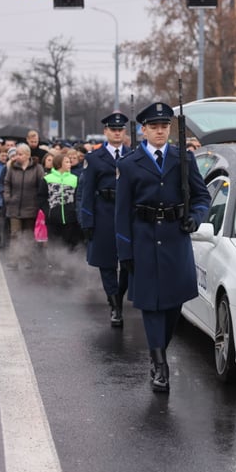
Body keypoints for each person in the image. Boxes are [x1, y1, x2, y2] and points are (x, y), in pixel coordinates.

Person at [115, 102, 211, 393]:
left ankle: (159, 348)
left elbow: (201, 196)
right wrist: (125, 252)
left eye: (164, 126)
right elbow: (121, 213)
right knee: (151, 306)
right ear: (144, 130)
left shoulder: (184, 159)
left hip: (175, 239)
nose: (160, 131)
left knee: (173, 306)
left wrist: (194, 218)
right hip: (143, 240)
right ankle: (159, 363)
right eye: (154, 127)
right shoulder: (129, 164)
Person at [80, 111, 131, 327]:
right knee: (107, 264)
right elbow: (86, 192)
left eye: (120, 130)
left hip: (127, 216)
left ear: (124, 132)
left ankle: (119, 296)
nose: (117, 133)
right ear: (106, 132)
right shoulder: (93, 158)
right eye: (113, 129)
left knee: (128, 262)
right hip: (103, 215)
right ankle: (115, 306)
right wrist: (87, 221)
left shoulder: (133, 155)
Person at [3, 144, 45, 268]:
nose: (17, 157)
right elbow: (6, 183)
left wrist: (38, 202)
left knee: (28, 234)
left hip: (30, 207)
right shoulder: (12, 168)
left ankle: (28, 259)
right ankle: (14, 260)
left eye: (20, 154)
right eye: (16, 154)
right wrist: (7, 197)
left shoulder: (37, 168)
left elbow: (42, 187)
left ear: (27, 155)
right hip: (14, 206)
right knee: (15, 234)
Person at [38, 152, 82, 251]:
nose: (69, 164)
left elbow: (78, 197)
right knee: (54, 245)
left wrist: (74, 210)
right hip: (53, 218)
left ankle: (69, 265)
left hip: (70, 219)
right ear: (59, 164)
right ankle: (53, 264)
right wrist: (47, 211)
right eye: (66, 162)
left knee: (71, 245)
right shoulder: (47, 179)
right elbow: (41, 197)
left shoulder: (75, 179)